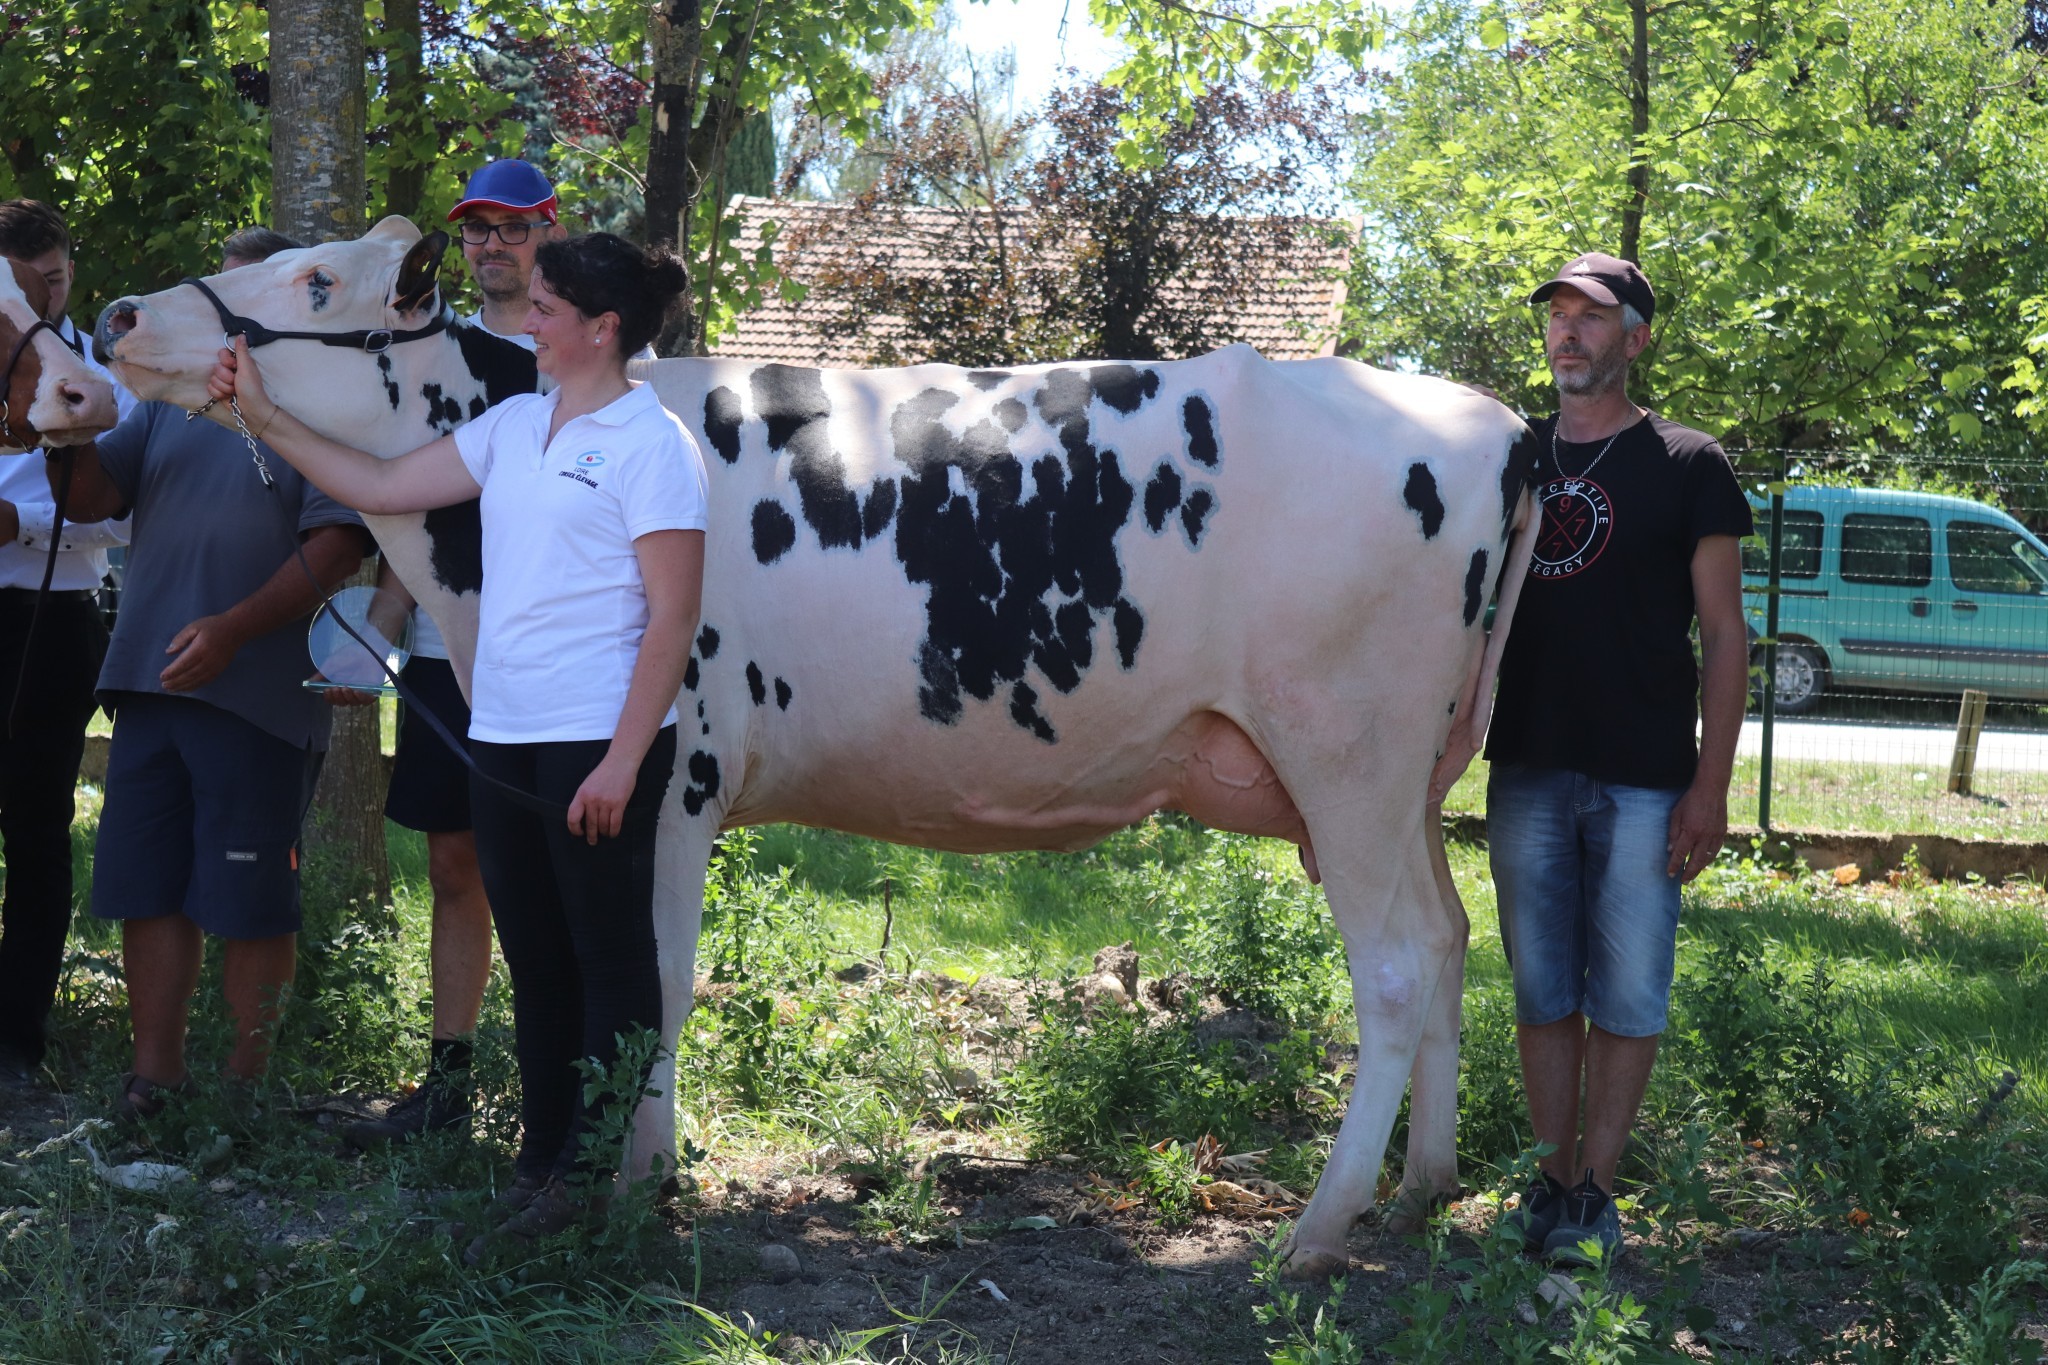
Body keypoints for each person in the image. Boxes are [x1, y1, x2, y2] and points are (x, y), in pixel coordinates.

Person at [205, 232, 706, 1258]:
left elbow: (671, 621)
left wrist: (619, 762)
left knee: (607, 956)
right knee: (535, 955)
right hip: (503, 734)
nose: (529, 320)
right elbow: (382, 485)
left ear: (601, 330)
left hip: (597, 744)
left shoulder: (655, 447)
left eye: (550, 309)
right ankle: (541, 1168)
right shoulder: (514, 424)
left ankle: (595, 1183)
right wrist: (260, 415)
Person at [51, 226, 374, 1118]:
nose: (217, 317)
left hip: (257, 696)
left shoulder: (319, 405)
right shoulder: (163, 401)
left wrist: (232, 631)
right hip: (148, 681)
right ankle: (152, 1080)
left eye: (238, 299)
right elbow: (90, 499)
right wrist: (64, 423)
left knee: (249, 898)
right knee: (144, 888)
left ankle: (244, 1094)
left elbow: (340, 544)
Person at [1481, 253, 1751, 1265]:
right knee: (1540, 989)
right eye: (1556, 315)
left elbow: (1726, 637)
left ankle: (1595, 1193)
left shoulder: (1688, 464)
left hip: (1644, 779)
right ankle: (1549, 1186)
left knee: (1628, 994)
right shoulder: (1506, 459)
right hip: (1526, 768)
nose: (1567, 333)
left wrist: (1709, 788)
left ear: (1634, 339)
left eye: (1591, 319)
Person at [336, 161, 561, 1149]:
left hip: (560, 651)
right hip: (442, 646)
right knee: (455, 866)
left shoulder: (586, 350)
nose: (493, 246)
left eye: (513, 228)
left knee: (558, 871)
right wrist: (381, 624)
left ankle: (567, 1084)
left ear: (549, 230)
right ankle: (453, 1082)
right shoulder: (431, 353)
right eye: (477, 230)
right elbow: (411, 510)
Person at [0, 200, 131, 1088]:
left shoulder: (100, 373)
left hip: (47, 623)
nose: (48, 294)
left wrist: (18, 521)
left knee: (38, 825)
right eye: (26, 284)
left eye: (55, 278)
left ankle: (17, 1035)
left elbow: (115, 519)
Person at [0, 199, 137, 422]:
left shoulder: (113, 384)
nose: (36, 298)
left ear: (70, 274)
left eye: (51, 281)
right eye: (16, 283)